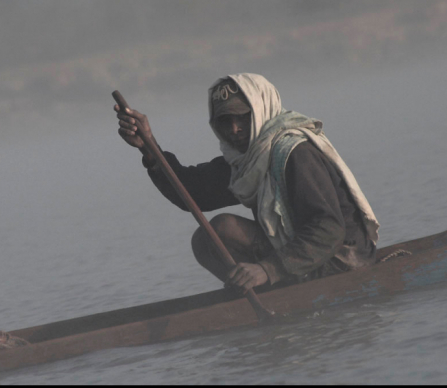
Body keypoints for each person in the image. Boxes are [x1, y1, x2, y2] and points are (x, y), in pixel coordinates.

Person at [114, 73, 379, 295]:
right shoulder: (247, 160)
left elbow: (329, 230)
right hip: (301, 262)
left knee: (223, 228)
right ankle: (263, 293)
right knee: (208, 239)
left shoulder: (295, 153)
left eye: (243, 117)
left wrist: (269, 268)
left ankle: (273, 288)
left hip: (341, 262)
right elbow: (192, 192)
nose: (235, 129)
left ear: (262, 110)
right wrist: (149, 147)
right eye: (225, 121)